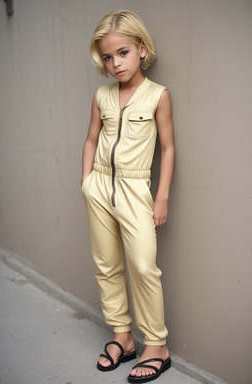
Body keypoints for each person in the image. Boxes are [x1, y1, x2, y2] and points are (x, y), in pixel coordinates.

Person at [81, 10, 175, 383]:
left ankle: (157, 345)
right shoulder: (102, 95)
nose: (115, 63)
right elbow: (91, 139)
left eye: (122, 53)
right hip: (100, 188)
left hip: (137, 190)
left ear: (141, 49)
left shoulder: (158, 96)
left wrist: (161, 195)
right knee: (107, 265)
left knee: (142, 266)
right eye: (107, 56)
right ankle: (123, 336)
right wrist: (86, 182)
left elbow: (167, 149)